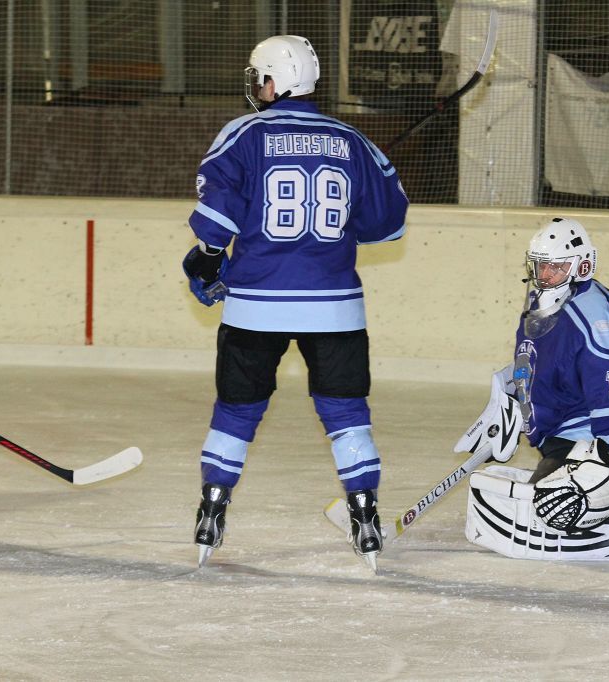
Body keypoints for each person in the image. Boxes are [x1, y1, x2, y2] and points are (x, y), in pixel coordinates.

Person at [182, 34, 409, 569]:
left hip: (255, 304)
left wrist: (208, 259)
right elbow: (387, 223)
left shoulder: (244, 134)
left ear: (272, 82)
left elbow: (216, 216)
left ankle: (212, 509)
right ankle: (365, 516)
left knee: (236, 412)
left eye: (259, 77)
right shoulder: (352, 140)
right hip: (335, 307)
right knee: (347, 414)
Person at [497, 217, 609, 533]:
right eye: (540, 266)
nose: (545, 275)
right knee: (534, 507)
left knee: (549, 512)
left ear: (583, 265)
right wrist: (512, 404)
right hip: (571, 428)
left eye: (557, 267)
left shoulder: (594, 315)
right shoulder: (543, 301)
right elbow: (539, 360)